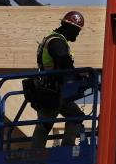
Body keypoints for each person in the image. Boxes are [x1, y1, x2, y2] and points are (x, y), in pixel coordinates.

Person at [30, 10, 86, 149]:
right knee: (45, 124)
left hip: (56, 90)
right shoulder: (56, 42)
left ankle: (67, 147)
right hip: (52, 90)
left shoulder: (55, 40)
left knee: (76, 115)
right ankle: (35, 154)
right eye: (77, 31)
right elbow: (64, 61)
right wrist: (78, 76)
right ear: (70, 28)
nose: (78, 34)